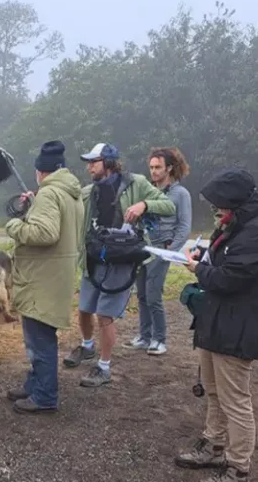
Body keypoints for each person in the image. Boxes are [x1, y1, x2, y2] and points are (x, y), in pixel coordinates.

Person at [175, 168, 258, 482]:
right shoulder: (237, 225)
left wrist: (198, 269)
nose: (216, 210)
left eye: (219, 204)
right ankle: (213, 444)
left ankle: (238, 467)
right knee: (213, 390)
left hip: (241, 326)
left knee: (235, 399)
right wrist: (205, 255)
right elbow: (227, 261)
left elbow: (233, 277)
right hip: (218, 320)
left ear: (234, 202)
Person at [62, 142, 175, 387]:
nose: (89, 167)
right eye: (89, 162)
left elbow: (169, 206)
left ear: (110, 163)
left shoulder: (137, 183)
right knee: (84, 308)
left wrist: (144, 205)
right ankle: (87, 346)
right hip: (93, 257)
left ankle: (104, 367)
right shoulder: (90, 191)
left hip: (121, 260)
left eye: (94, 162)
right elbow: (66, 203)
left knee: (104, 315)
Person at [4, 140, 85, 414]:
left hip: (42, 279)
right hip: (55, 276)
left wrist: (15, 224)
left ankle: (44, 395)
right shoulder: (70, 193)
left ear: (41, 171)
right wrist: (34, 208)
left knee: (40, 339)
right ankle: (36, 383)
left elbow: (45, 234)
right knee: (41, 336)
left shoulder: (50, 194)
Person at [123, 147, 192, 356]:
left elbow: (184, 225)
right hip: (142, 248)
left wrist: (173, 248)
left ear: (169, 168)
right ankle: (144, 337)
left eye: (157, 167)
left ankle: (159, 339)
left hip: (162, 250)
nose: (153, 171)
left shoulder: (180, 194)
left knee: (153, 295)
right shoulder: (148, 190)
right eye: (151, 167)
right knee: (142, 294)